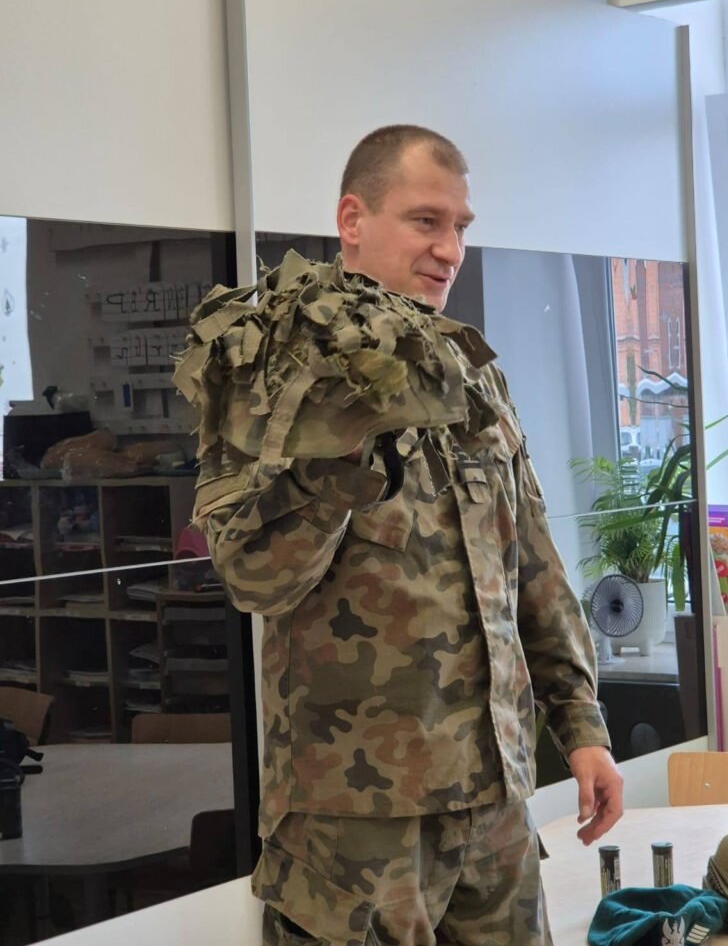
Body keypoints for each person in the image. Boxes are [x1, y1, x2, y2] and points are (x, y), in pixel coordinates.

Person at [186, 125, 623, 945]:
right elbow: (255, 578)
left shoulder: (471, 373)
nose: (450, 250)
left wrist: (582, 728)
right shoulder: (275, 371)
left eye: (460, 226)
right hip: (357, 828)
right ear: (352, 219)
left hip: (494, 803)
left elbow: (531, 566)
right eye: (426, 221)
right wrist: (339, 453)